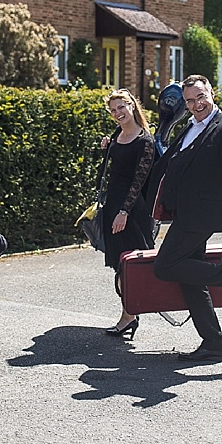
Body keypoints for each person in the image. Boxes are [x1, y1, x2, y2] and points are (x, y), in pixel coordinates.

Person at [152, 74, 222, 362]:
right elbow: (168, 162)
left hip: (203, 214)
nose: (196, 104)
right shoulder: (190, 125)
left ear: (211, 92)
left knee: (165, 266)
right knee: (189, 275)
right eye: (190, 100)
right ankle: (213, 344)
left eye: (201, 97)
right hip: (186, 212)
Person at [95, 88, 164, 340]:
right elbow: (113, 172)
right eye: (113, 110)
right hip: (113, 205)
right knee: (120, 265)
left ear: (132, 105)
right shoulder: (117, 135)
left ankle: (129, 316)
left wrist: (124, 211)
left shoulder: (145, 141)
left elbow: (138, 180)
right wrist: (107, 149)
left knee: (130, 265)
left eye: (121, 107)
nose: (117, 113)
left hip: (131, 210)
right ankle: (129, 315)